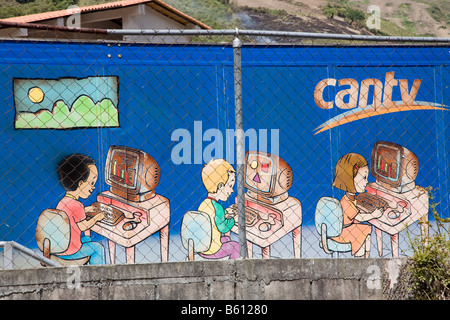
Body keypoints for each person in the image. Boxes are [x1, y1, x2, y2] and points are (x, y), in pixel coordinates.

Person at [55, 154, 106, 265]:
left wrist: (86, 210)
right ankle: (97, 275)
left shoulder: (63, 202)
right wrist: (97, 217)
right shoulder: (77, 205)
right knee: (98, 248)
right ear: (81, 183)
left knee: (87, 239)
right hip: (70, 251)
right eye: (92, 183)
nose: (93, 187)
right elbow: (83, 226)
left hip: (62, 247)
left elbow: (71, 218)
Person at [331, 153, 382, 258]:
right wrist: (374, 214)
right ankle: (359, 257)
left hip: (347, 228)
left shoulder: (351, 198)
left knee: (367, 228)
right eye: (363, 177)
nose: (366, 182)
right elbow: (359, 217)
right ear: (349, 179)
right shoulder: (346, 202)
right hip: (342, 233)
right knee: (363, 230)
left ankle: (365, 258)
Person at [197, 159, 239, 259]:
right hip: (212, 250)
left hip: (202, 247)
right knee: (236, 247)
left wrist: (225, 213)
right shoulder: (218, 207)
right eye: (230, 186)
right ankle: (234, 270)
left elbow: (213, 218)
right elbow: (223, 228)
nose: (232, 190)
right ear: (220, 186)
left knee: (226, 239)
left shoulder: (204, 204)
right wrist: (232, 219)